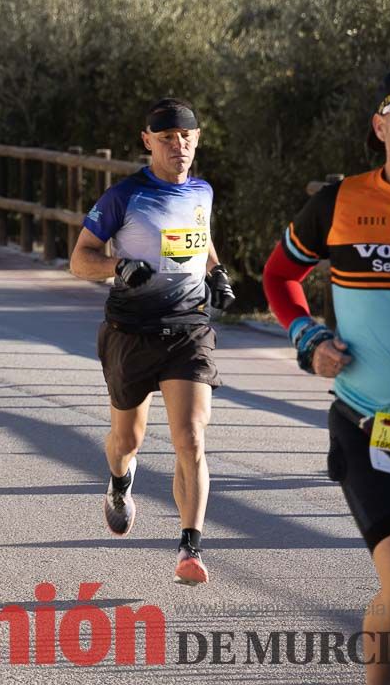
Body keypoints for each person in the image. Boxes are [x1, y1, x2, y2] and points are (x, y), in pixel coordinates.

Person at [263, 66, 390, 683]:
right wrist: (307, 337)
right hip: (371, 427)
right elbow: (278, 276)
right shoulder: (340, 202)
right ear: (381, 125)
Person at [69, 97, 233, 587]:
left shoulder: (202, 191)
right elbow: (80, 259)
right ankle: (120, 482)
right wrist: (117, 267)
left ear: (197, 139)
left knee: (192, 438)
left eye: (185, 137)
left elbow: (198, 237)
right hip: (130, 332)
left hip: (188, 328)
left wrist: (217, 271)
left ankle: (190, 545)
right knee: (128, 440)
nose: (177, 146)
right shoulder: (124, 196)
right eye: (166, 139)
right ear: (147, 142)